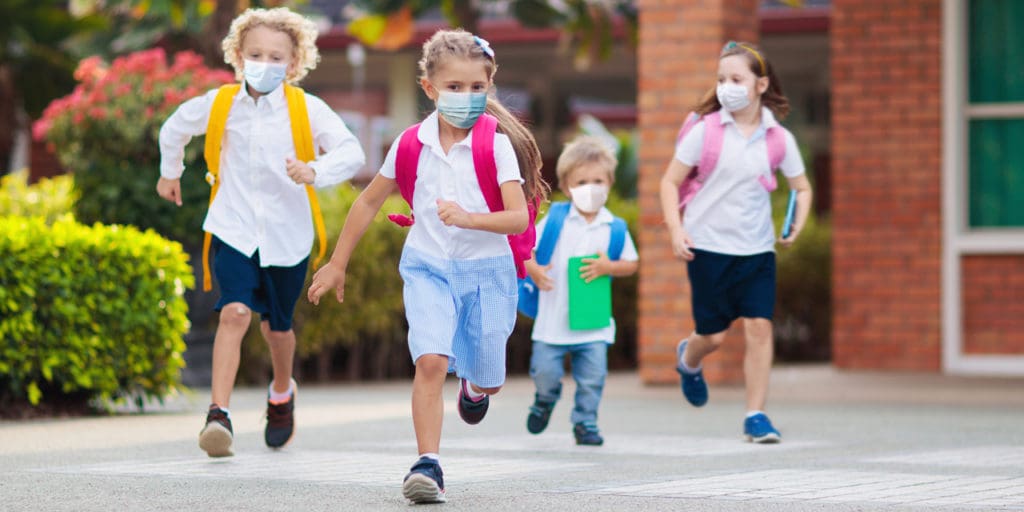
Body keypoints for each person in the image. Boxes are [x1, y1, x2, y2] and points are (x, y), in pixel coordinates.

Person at [306, 29, 546, 504]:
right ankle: (428, 465)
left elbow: (519, 216)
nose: (467, 97)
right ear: (430, 89)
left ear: (489, 86)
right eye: (455, 88)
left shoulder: (494, 145)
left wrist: (470, 218)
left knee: (490, 376)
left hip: (488, 273)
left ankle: (475, 390)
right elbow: (369, 202)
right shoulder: (411, 144)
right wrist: (337, 263)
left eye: (477, 88)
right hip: (428, 267)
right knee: (431, 360)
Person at [156, 7, 365, 458]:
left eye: (276, 57)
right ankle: (218, 415)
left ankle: (282, 392)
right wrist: (169, 173)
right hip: (232, 227)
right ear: (237, 55)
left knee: (277, 329)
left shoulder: (305, 109)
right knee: (234, 313)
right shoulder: (219, 104)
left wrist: (314, 170)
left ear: (293, 64)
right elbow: (174, 128)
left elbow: (351, 151)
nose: (265, 64)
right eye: (255, 54)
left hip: (287, 236)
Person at [658, 41, 813, 444]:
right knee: (713, 336)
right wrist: (676, 230)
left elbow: (802, 187)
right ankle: (689, 361)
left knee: (760, 327)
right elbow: (669, 181)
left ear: (761, 84)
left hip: (757, 249)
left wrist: (797, 222)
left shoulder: (778, 138)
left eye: (737, 79)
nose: (727, 86)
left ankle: (756, 415)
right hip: (707, 246)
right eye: (722, 79)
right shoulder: (706, 131)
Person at [523, 136, 638, 446]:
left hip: (594, 322)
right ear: (566, 184)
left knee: (593, 378)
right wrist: (533, 270)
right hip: (552, 321)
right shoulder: (557, 219)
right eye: (582, 181)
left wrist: (609, 267)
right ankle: (545, 399)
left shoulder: (614, 227)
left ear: (610, 183)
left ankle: (585, 422)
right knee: (545, 372)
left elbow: (631, 263)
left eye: (598, 180)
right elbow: (526, 249)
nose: (591, 187)